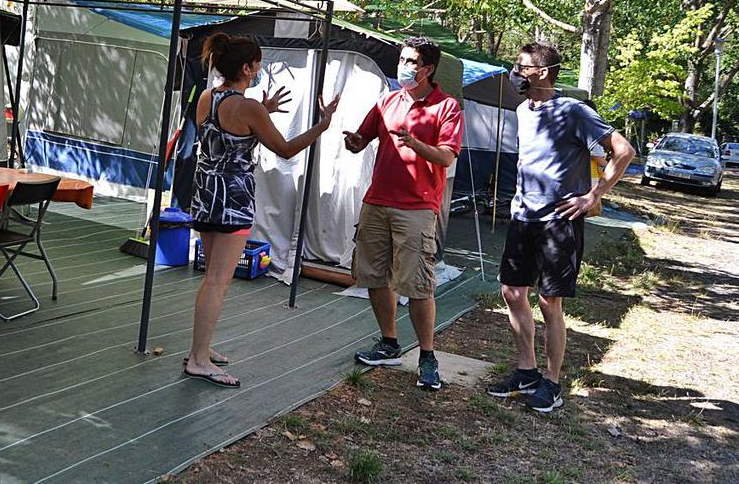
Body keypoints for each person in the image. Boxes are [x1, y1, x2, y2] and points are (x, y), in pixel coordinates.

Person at [184, 32, 339, 388]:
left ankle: (200, 349)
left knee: (211, 279)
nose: (259, 69)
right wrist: (322, 125)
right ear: (246, 67)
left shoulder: (209, 96)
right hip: (233, 201)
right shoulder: (248, 107)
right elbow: (284, 149)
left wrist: (262, 111)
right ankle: (199, 359)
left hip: (206, 195)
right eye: (257, 64)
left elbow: (223, 134)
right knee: (217, 282)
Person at [487, 43, 634, 413]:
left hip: (559, 221)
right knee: (512, 293)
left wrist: (593, 195)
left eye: (522, 67)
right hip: (523, 216)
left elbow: (623, 150)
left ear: (544, 71)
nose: (516, 72)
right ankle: (526, 371)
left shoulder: (574, 111)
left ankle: (551, 382)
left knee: (549, 300)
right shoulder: (522, 110)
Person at [343, 37, 464, 390]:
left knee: (417, 284)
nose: (404, 66)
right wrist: (352, 140)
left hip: (417, 207)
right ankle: (389, 343)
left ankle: (427, 356)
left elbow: (446, 157)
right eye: (402, 58)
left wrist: (415, 144)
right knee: (375, 276)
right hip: (377, 201)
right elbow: (361, 141)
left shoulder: (446, 107)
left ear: (427, 69)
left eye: (411, 61)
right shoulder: (386, 101)